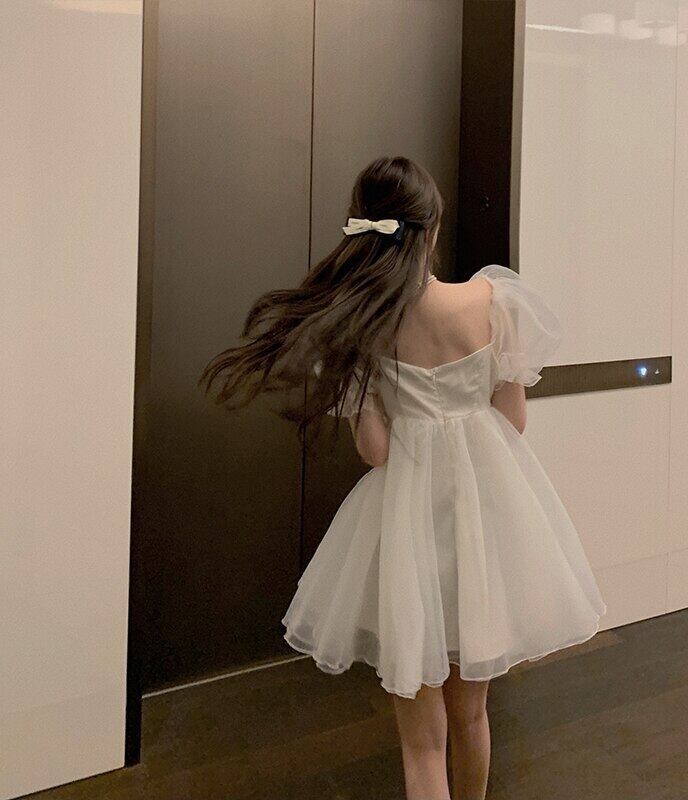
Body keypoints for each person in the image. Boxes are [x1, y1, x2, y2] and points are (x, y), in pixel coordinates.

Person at [199, 155, 607, 800]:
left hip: (407, 531)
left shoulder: (363, 329)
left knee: (422, 743)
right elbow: (514, 421)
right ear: (432, 228)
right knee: (472, 715)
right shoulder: (494, 303)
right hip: (482, 521)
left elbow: (375, 451)